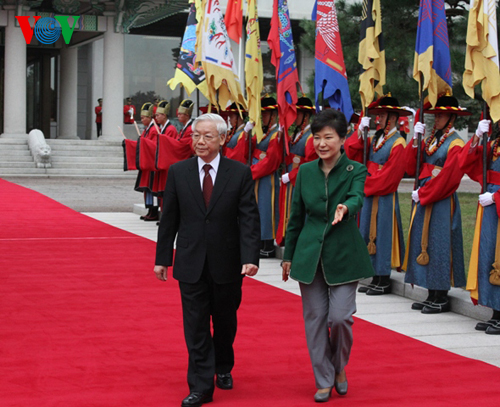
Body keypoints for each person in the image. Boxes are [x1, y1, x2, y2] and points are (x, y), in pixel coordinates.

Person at [154, 113, 261, 407]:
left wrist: (251, 257)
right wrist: (163, 258)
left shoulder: (238, 173)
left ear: (223, 139)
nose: (200, 141)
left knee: (224, 321)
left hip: (228, 262)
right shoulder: (179, 172)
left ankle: (223, 365)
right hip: (190, 261)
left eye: (207, 136)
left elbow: (249, 219)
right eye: (196, 136)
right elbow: (169, 219)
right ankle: (201, 386)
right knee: (196, 325)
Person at [281, 108, 374, 403]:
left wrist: (346, 208)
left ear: (342, 138)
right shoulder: (305, 171)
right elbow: (295, 217)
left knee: (341, 317)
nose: (322, 143)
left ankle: (339, 367)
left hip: (344, 254)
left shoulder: (355, 169)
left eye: (328, 137)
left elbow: (357, 196)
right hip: (308, 255)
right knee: (315, 318)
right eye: (317, 137)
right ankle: (324, 379)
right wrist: (288, 254)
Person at [403, 93, 469, 314]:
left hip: (440, 199)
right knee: (425, 242)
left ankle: (441, 294)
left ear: (451, 118)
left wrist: (424, 193)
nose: (436, 119)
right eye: (436, 115)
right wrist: (415, 140)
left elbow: (449, 177)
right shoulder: (431, 140)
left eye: (441, 115)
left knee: (440, 245)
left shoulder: (456, 142)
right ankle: (430, 292)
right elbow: (411, 166)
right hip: (424, 194)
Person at [344, 94, 409, 295]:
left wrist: (365, 183)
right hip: (371, 192)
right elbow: (350, 152)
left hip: (384, 195)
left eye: (381, 115)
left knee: (382, 234)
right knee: (367, 233)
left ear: (391, 117)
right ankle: (373, 275)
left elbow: (391, 176)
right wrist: (359, 134)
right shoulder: (376, 139)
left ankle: (384, 278)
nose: (378, 119)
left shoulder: (398, 143)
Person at [459, 116, 500, 334]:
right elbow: (465, 163)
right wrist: (477, 137)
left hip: (496, 200)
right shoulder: (493, 145)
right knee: (488, 254)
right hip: (490, 201)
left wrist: (496, 197)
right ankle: (495, 310)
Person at [276, 95, 317, 246]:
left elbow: (310, 163)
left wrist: (292, 175)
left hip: (299, 180)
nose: (294, 117)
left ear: (306, 116)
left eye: (297, 113)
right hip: (289, 177)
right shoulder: (295, 134)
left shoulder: (310, 137)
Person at [251, 95, 282, 258]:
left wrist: (253, 171)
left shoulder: (276, 134)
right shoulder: (264, 132)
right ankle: (260, 241)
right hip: (258, 173)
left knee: (266, 207)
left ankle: (268, 243)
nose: (262, 117)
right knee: (257, 208)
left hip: (266, 176)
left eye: (265, 114)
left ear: (273, 116)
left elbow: (272, 161)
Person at [133, 102, 159, 221]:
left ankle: (153, 211)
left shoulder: (154, 130)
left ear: (150, 117)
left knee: (151, 188)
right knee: (146, 188)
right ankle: (149, 209)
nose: (142, 120)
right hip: (146, 163)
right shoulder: (147, 130)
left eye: (143, 118)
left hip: (152, 163)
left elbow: (154, 146)